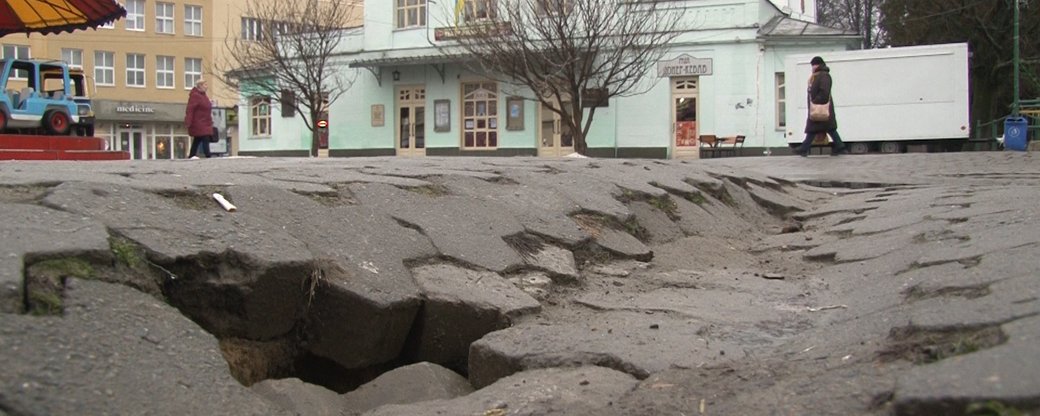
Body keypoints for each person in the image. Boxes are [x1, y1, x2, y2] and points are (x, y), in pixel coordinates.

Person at [794, 56, 848, 156]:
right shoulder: (818, 75)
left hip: (821, 107)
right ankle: (840, 147)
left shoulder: (823, 76)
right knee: (826, 128)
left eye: (813, 65)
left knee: (815, 128)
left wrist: (815, 101)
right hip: (820, 108)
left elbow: (824, 91)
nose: (812, 67)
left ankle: (804, 148)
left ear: (818, 64)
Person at [185, 79, 214, 159]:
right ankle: (208, 155)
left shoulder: (204, 96)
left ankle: (192, 155)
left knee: (197, 139)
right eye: (205, 85)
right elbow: (190, 109)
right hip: (198, 122)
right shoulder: (195, 96)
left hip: (205, 121)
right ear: (200, 86)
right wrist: (188, 121)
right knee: (205, 137)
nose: (207, 87)